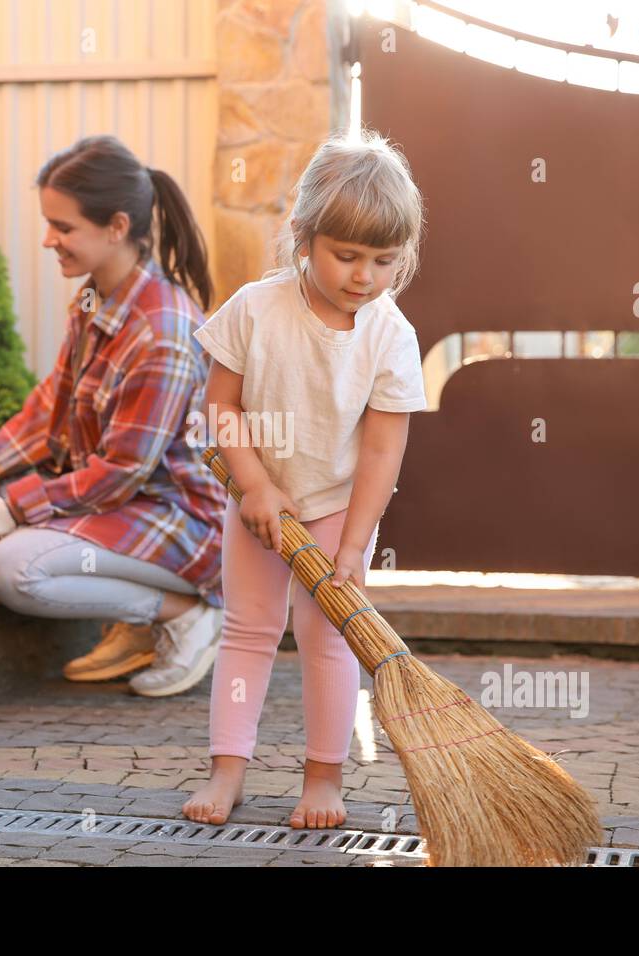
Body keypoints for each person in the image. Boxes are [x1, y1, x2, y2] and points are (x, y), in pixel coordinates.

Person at [0, 134, 228, 698]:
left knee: (15, 568)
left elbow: (119, 473)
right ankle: (141, 622)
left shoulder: (163, 334)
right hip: (125, 507)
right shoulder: (94, 299)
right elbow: (48, 410)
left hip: (184, 522)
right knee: (7, 540)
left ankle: (183, 615)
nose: (49, 239)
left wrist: (4, 510)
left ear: (118, 226)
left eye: (64, 226)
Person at [182, 130, 427, 828]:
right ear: (304, 235)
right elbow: (220, 406)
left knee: (327, 637)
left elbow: (383, 449)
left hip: (337, 507)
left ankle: (324, 779)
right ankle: (227, 769)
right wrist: (254, 486)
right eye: (346, 255)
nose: (363, 275)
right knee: (249, 630)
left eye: (383, 260)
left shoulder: (390, 335)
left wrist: (353, 544)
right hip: (258, 495)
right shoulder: (255, 310)